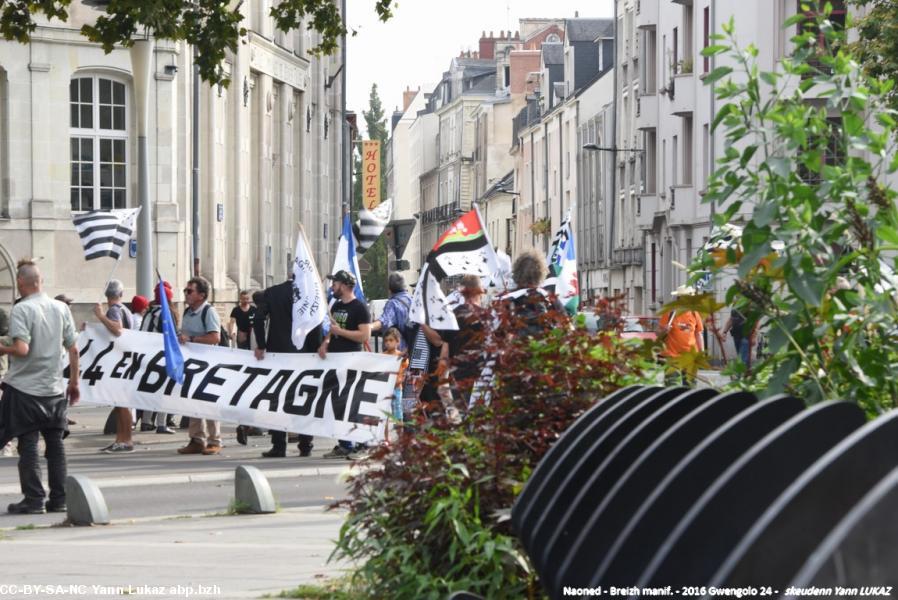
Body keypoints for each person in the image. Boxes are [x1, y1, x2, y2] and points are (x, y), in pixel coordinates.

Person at [0, 259, 80, 514]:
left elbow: (21, 349)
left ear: (20, 283)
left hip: (25, 388)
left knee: (29, 445)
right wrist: (74, 382)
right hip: (54, 387)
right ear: (40, 281)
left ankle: (34, 499)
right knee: (55, 447)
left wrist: (2, 347)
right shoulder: (60, 308)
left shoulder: (22, 309)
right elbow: (73, 348)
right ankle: (60, 499)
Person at [253, 277, 320, 458]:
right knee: (303, 399)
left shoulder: (273, 292)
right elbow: (317, 323)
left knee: (278, 399)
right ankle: (305, 444)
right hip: (305, 354)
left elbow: (258, 318)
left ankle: (279, 445)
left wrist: (261, 344)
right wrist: (316, 348)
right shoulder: (309, 293)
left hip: (278, 354)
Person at [318, 270, 371, 459]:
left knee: (353, 403)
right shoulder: (338, 305)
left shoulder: (360, 308)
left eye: (336, 283)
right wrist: (326, 342)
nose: (333, 287)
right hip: (335, 360)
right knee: (337, 403)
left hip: (352, 360)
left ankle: (363, 443)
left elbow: (364, 335)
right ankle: (344, 443)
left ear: (345, 285)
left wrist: (341, 332)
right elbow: (333, 330)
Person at [177, 276, 223, 455]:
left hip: (209, 364)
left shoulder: (208, 312)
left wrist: (192, 339)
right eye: (185, 291)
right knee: (192, 401)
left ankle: (214, 440)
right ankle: (197, 439)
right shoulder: (188, 312)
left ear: (201, 295)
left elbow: (214, 338)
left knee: (209, 401)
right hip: (192, 364)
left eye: (190, 291)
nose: (186, 294)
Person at [95, 280, 135, 454]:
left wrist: (100, 316)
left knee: (121, 404)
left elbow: (117, 330)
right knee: (121, 403)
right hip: (126, 360)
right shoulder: (126, 310)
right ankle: (121, 439)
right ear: (121, 294)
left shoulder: (114, 310)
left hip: (119, 362)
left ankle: (125, 440)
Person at [137, 281, 177, 434]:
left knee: (150, 388)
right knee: (164, 389)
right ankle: (161, 423)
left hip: (146, 354)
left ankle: (146, 421)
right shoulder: (165, 313)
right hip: (161, 354)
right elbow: (169, 335)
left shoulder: (149, 311)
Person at [660, 285, 705, 383]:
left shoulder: (694, 313)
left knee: (690, 386)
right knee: (671, 385)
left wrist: (701, 353)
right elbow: (659, 335)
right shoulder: (669, 312)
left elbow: (698, 334)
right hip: (672, 355)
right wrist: (664, 330)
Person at [370, 273, 413, 350]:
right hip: (413, 351)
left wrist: (369, 327)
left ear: (390, 290)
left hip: (398, 354)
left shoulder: (392, 304)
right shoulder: (414, 300)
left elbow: (384, 321)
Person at [381, 327, 408, 441]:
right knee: (385, 415)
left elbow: (405, 373)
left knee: (398, 415)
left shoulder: (401, 357)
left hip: (397, 389)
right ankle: (387, 439)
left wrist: (398, 381)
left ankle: (401, 439)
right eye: (386, 340)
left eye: (391, 340)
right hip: (385, 389)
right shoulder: (382, 356)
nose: (388, 343)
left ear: (398, 341)